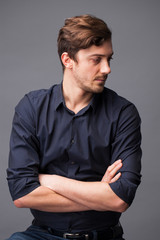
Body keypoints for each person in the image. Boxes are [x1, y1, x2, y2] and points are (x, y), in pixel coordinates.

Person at [6, 14, 142, 240]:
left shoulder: (123, 113)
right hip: (42, 235)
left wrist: (50, 180)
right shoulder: (31, 108)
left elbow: (119, 199)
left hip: (103, 236)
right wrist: (98, 193)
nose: (107, 68)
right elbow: (22, 194)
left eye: (109, 59)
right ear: (68, 60)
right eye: (96, 59)